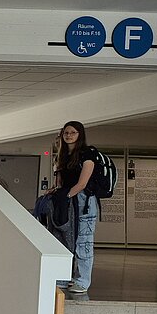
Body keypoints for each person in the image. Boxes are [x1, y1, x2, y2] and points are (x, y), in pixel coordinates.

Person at [53, 121, 98, 293]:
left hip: (83, 201)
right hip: (67, 200)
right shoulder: (63, 155)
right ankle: (64, 278)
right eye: (66, 132)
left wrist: (66, 196)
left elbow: (82, 183)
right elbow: (60, 182)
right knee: (64, 238)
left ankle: (83, 281)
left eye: (73, 132)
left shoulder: (88, 153)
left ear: (80, 134)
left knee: (83, 241)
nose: (69, 135)